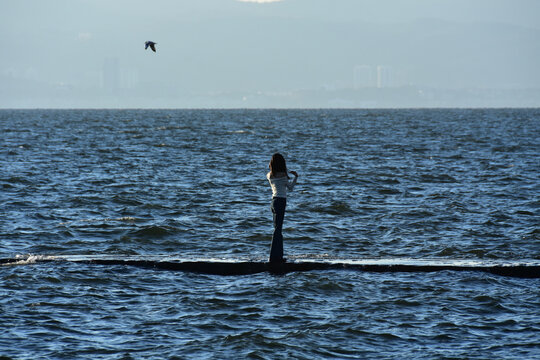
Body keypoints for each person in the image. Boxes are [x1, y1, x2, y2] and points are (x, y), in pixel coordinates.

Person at [267, 153, 298, 263]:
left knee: (276, 229)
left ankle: (276, 256)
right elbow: (290, 188)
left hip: (273, 201)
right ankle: (275, 257)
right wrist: (296, 177)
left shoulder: (269, 175)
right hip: (281, 201)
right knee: (278, 230)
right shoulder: (284, 176)